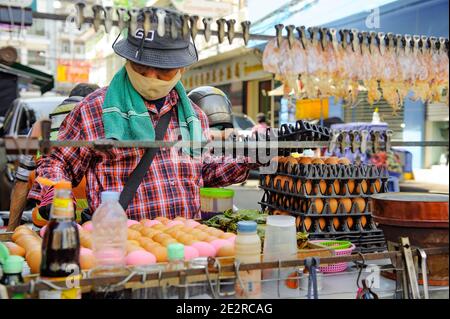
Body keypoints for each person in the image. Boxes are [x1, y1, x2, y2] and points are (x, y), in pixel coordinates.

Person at [28, 9, 256, 221]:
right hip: (117, 244)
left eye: (163, 70)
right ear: (128, 61)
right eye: (141, 67)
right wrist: (55, 194)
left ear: (182, 68)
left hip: (184, 245)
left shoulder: (194, 117)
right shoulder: (94, 109)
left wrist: (251, 156)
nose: (151, 76)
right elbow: (57, 162)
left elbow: (205, 171)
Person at [22, 83, 99, 228]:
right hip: (89, 224)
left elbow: (21, 181)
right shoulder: (96, 125)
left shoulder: (39, 127)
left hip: (45, 221)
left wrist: (12, 229)